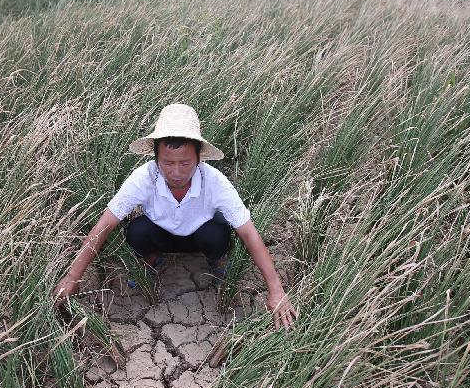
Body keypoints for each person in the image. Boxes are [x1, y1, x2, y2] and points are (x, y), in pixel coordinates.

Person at [53, 103, 298, 330]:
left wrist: (276, 291)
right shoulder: (144, 177)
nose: (177, 172)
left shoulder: (214, 182)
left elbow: (248, 232)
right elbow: (104, 225)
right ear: (156, 157)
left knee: (218, 234)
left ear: (199, 158)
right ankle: (152, 259)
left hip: (201, 236)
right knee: (137, 231)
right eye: (168, 163)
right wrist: (73, 277)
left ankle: (216, 262)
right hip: (160, 236)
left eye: (185, 163)